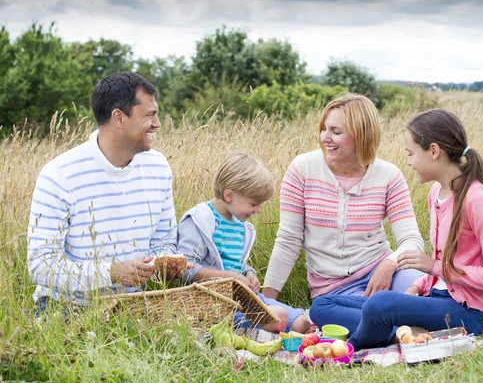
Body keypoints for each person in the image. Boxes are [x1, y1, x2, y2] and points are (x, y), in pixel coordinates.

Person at [311, 109, 483, 350]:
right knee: (321, 305)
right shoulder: (437, 193)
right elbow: (443, 270)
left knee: (380, 304)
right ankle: (403, 331)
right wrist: (419, 285)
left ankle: (347, 350)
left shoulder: (476, 199)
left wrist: (434, 267)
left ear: (433, 151)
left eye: (411, 153)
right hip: (436, 298)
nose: (408, 162)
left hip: (470, 312)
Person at [27, 71, 185, 308]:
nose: (157, 124)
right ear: (119, 118)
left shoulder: (158, 167)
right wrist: (109, 273)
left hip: (135, 305)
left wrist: (163, 264)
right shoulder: (58, 175)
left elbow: (164, 241)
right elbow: (41, 265)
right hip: (68, 307)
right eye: (150, 115)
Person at [262, 93, 425, 320]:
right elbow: (288, 240)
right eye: (324, 129)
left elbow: (412, 241)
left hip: (384, 274)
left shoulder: (389, 176)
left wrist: (389, 264)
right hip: (333, 291)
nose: (325, 138)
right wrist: (266, 301)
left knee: (423, 288)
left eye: (336, 132)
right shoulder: (302, 169)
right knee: (330, 313)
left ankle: (400, 321)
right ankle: (401, 325)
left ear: (361, 135)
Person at [177, 152, 311, 334]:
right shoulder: (200, 220)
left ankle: (256, 331)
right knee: (278, 317)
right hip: (213, 304)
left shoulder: (240, 226)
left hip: (244, 300)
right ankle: (242, 332)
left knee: (301, 323)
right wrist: (228, 277)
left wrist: (248, 272)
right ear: (229, 195)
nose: (258, 210)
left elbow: (237, 263)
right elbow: (184, 267)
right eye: (254, 203)